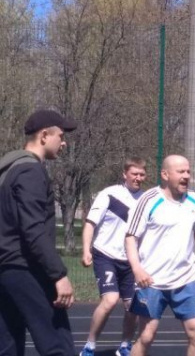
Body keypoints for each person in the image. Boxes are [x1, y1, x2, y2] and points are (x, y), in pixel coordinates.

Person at [0, 109, 78, 355]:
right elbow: (32, 228)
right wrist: (58, 275)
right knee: (57, 345)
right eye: (61, 136)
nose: (64, 143)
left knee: (9, 345)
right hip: (25, 268)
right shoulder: (30, 171)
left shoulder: (8, 170)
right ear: (44, 135)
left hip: (5, 271)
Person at [125, 155, 195, 356]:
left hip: (186, 280)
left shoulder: (194, 200)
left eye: (188, 172)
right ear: (165, 175)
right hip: (152, 281)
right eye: (181, 172)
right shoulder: (149, 200)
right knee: (146, 336)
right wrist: (137, 269)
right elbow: (130, 237)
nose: (186, 176)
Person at [79, 158, 148, 356]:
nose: (138, 178)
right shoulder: (109, 194)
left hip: (130, 261)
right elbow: (90, 224)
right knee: (110, 300)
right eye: (134, 174)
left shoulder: (146, 200)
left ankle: (125, 346)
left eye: (142, 174)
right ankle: (89, 346)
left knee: (132, 307)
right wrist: (86, 249)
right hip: (105, 255)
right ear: (125, 174)